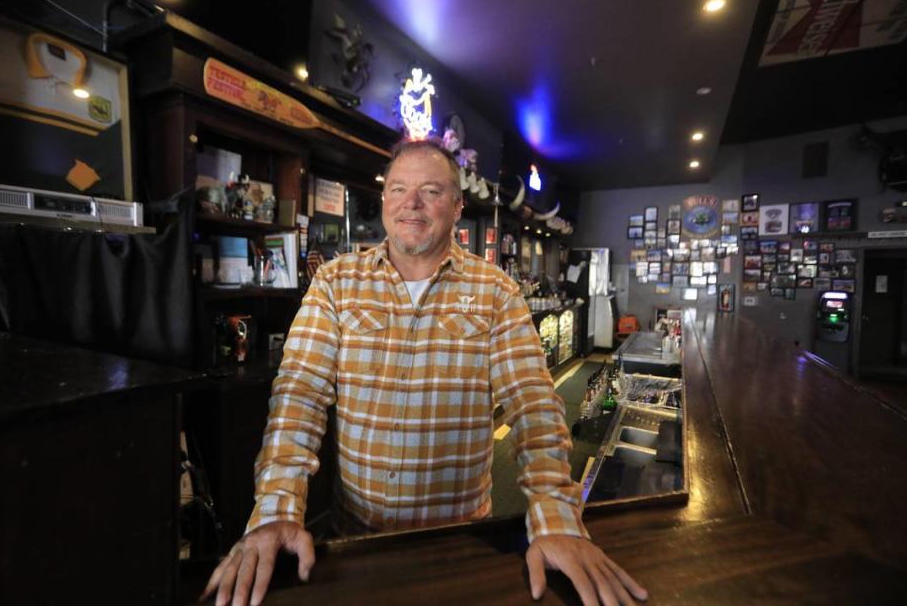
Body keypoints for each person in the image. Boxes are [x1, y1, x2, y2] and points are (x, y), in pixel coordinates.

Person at [203, 139, 648, 606]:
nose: (411, 203)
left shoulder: (496, 291)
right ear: (385, 201)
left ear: (457, 207)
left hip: (460, 544)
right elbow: (300, 398)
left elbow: (533, 405)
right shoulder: (335, 282)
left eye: (431, 191)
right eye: (399, 189)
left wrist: (555, 518)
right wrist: (275, 512)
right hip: (357, 541)